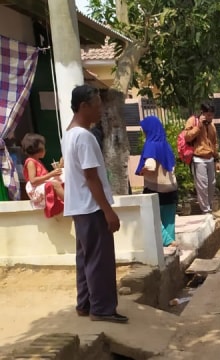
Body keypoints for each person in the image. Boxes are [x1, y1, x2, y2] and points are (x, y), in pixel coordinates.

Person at [61, 85, 127, 323]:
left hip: (79, 207)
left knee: (86, 258)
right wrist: (108, 211)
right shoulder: (84, 137)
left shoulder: (68, 134)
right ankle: (102, 309)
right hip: (91, 207)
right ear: (83, 107)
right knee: (100, 260)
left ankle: (85, 304)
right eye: (97, 105)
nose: (101, 109)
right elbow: (91, 177)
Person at [136, 115, 178, 247]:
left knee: (152, 218)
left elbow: (151, 165)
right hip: (171, 188)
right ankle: (171, 244)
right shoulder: (166, 145)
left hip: (155, 189)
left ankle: (167, 241)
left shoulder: (150, 144)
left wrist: (142, 171)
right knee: (169, 221)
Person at [183, 101, 220, 214]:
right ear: (202, 113)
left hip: (210, 157)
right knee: (202, 185)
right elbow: (187, 137)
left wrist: (216, 159)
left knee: (211, 184)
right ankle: (206, 210)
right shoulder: (192, 121)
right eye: (208, 115)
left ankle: (208, 206)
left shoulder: (212, 125)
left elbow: (214, 143)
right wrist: (199, 126)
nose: (210, 117)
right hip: (198, 158)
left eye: (212, 115)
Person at [21, 133, 65, 217]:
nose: (45, 149)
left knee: (62, 178)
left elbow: (45, 177)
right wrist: (51, 174)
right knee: (55, 183)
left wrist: (59, 167)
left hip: (41, 186)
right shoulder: (31, 162)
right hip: (35, 190)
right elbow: (33, 181)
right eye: (43, 147)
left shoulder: (38, 161)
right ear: (37, 149)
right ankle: (69, 204)